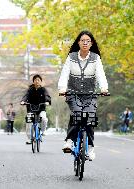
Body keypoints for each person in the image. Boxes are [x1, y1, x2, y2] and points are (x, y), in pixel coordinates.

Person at [58, 30, 108, 160]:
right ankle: (69, 140)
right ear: (78, 43)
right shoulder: (71, 57)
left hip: (90, 95)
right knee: (77, 114)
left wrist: (103, 88)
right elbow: (64, 74)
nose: (85, 43)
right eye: (82, 41)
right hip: (73, 94)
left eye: (88, 41)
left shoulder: (95, 58)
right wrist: (63, 88)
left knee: (90, 118)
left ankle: (90, 148)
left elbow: (100, 74)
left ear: (91, 44)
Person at [21, 74, 51, 145]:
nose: (37, 81)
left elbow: (47, 96)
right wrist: (23, 101)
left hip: (41, 109)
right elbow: (26, 96)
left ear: (40, 81)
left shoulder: (43, 89)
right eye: (35, 80)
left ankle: (43, 131)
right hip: (31, 109)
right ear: (33, 81)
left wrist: (47, 101)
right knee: (29, 122)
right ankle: (30, 138)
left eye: (38, 80)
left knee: (43, 119)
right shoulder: (30, 90)